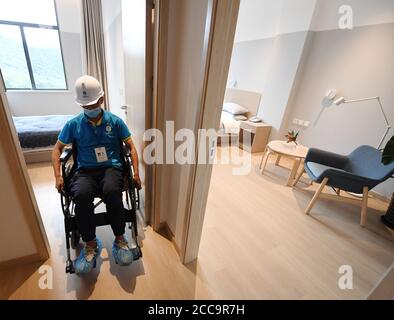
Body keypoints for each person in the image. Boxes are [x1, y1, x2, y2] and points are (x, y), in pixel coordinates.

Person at [52, 75, 141, 275]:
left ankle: (120, 240)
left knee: (112, 191)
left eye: (92, 103)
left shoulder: (115, 122)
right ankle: (91, 244)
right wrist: (58, 176)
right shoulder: (73, 124)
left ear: (101, 100)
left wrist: (136, 173)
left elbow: (131, 148)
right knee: (81, 195)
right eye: (85, 105)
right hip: (85, 171)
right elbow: (56, 150)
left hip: (111, 168)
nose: (89, 107)